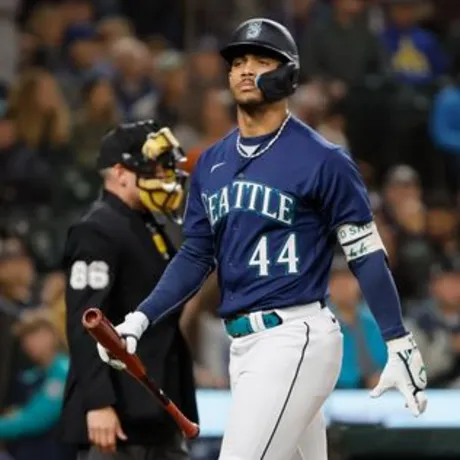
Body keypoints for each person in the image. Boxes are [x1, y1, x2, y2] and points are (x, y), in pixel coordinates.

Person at [98, 19, 428, 460]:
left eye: (260, 60)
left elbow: (365, 252)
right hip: (245, 347)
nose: (245, 70)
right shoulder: (212, 162)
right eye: (238, 61)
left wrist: (397, 338)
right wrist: (141, 319)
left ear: (288, 74)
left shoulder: (323, 158)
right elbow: (196, 254)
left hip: (295, 337)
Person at [59, 120, 198, 459]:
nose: (167, 177)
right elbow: (85, 322)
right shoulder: (97, 229)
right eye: (156, 167)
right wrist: (98, 403)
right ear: (121, 173)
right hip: (119, 417)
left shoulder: (147, 225)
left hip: (155, 409)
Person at [0, 309, 70, 460]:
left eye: (35, 334)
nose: (29, 343)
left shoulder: (63, 372)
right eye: (25, 338)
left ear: (51, 334)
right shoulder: (35, 375)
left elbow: (37, 419)